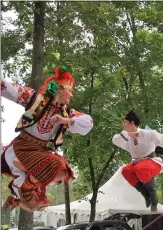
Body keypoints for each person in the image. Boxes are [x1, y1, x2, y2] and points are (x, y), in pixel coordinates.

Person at [1, 66, 94, 212]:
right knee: (57, 164)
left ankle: (17, 197)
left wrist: (65, 120)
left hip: (40, 151)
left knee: (35, 205)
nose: (71, 96)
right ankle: (22, 185)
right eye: (69, 91)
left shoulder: (66, 113)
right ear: (59, 89)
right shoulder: (35, 99)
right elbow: (5, 86)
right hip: (23, 147)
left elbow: (89, 123)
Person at [112, 110, 163, 212]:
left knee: (140, 168)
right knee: (126, 170)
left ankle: (153, 197)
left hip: (152, 162)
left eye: (125, 122)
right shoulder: (125, 138)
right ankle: (145, 194)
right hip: (137, 163)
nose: (123, 125)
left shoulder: (148, 134)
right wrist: (129, 134)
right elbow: (115, 140)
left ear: (132, 123)